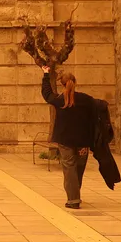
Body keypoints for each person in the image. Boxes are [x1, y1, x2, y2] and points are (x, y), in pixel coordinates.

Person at [41, 67, 99, 209]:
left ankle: (73, 199)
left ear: (62, 84)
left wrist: (46, 74)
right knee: (79, 167)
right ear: (75, 82)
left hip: (65, 140)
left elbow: (47, 94)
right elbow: (99, 107)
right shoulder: (86, 99)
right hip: (83, 141)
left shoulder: (60, 100)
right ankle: (75, 194)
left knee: (69, 167)